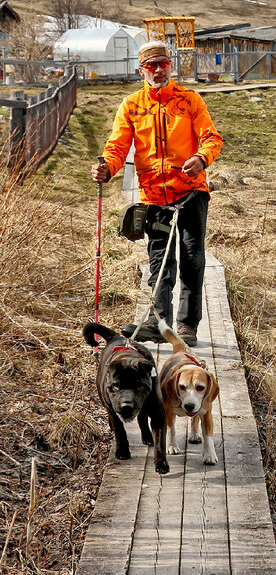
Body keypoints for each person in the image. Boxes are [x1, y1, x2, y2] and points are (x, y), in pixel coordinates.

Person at [91, 41, 223, 347]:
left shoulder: (190, 101)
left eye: (163, 63)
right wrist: (107, 168)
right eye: (152, 66)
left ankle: (188, 325)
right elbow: (117, 147)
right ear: (142, 70)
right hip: (155, 197)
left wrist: (201, 159)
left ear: (171, 66)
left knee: (192, 257)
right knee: (160, 258)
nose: (159, 70)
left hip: (191, 193)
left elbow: (211, 138)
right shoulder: (132, 106)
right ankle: (158, 321)